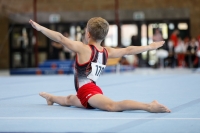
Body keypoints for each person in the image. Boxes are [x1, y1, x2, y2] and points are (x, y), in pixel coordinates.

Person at [29, 17, 170, 113]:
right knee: (68, 100)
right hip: (87, 91)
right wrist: (149, 47)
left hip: (88, 91)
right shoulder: (107, 52)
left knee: (112, 106)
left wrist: (41, 28)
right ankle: (51, 98)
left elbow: (60, 38)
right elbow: (129, 50)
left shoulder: (83, 48)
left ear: (88, 34)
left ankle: (149, 106)